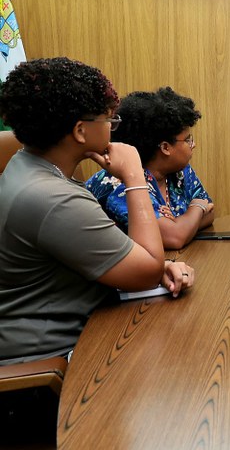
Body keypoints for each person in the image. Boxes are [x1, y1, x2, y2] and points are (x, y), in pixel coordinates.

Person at [0, 58, 194, 367]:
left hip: (80, 323)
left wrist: (151, 267)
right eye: (109, 120)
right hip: (51, 360)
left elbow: (131, 261)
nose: (113, 129)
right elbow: (145, 271)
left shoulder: (26, 166)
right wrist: (133, 173)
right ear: (80, 131)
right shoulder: (52, 198)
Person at [86, 87, 214, 250]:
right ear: (166, 147)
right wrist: (197, 207)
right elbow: (175, 238)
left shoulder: (180, 171)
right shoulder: (121, 182)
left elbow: (211, 212)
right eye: (188, 139)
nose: (193, 144)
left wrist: (182, 222)